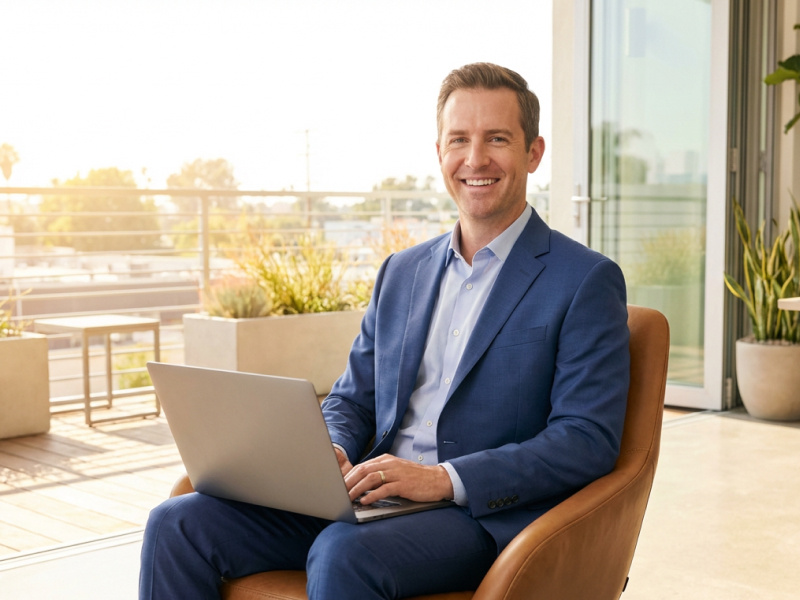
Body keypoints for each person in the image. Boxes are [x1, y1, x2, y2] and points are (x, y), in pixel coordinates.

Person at [139, 62, 630, 600]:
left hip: (475, 517)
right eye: (458, 140)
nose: (475, 159)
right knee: (176, 525)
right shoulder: (402, 272)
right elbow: (353, 398)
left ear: (533, 153)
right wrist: (328, 451)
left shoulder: (584, 279)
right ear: (439, 153)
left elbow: (585, 441)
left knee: (342, 552)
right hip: (369, 498)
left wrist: (442, 478)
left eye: (497, 139)